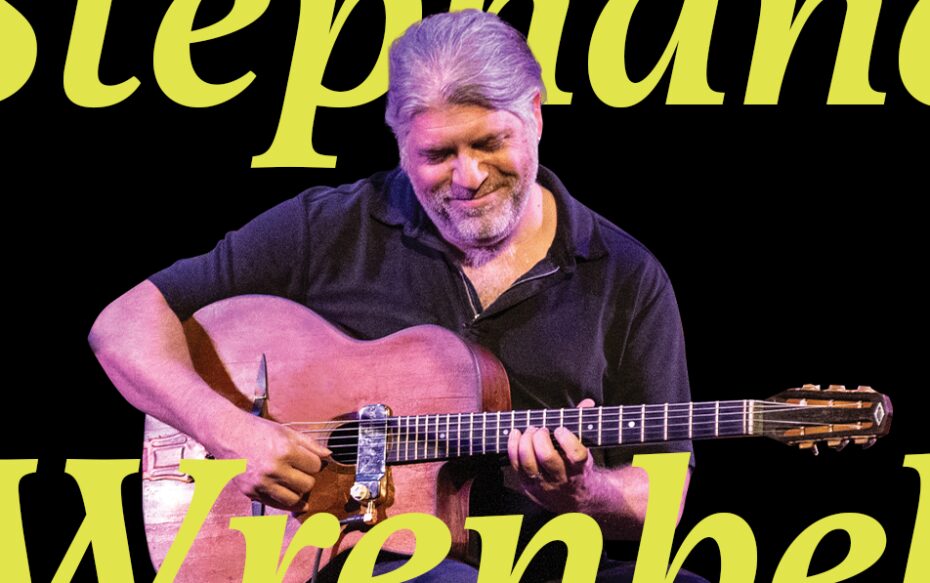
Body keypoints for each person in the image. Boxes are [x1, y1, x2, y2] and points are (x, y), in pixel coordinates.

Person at [89, 10, 704, 582]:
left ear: (536, 116)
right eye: (437, 154)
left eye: (490, 142)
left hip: (542, 562)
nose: (468, 177)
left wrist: (584, 491)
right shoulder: (326, 227)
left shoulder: (625, 273)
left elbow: (661, 498)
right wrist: (230, 432)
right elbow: (121, 325)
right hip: (352, 558)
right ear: (398, 141)